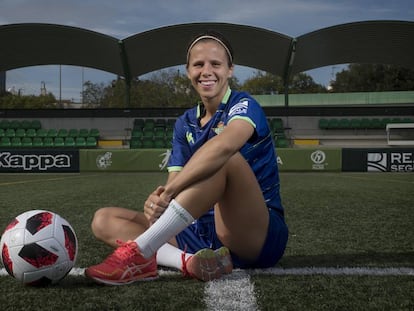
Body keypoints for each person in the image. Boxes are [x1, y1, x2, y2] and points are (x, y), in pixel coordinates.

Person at [85, 30, 288, 285]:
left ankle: (139, 253)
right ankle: (187, 262)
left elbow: (225, 146)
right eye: (198, 64)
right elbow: (176, 178)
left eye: (216, 64)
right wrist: (158, 204)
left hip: (256, 235)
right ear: (187, 70)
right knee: (104, 220)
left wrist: (167, 192)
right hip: (198, 234)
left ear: (230, 70)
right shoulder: (185, 123)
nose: (207, 71)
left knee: (226, 159)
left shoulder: (244, 104)